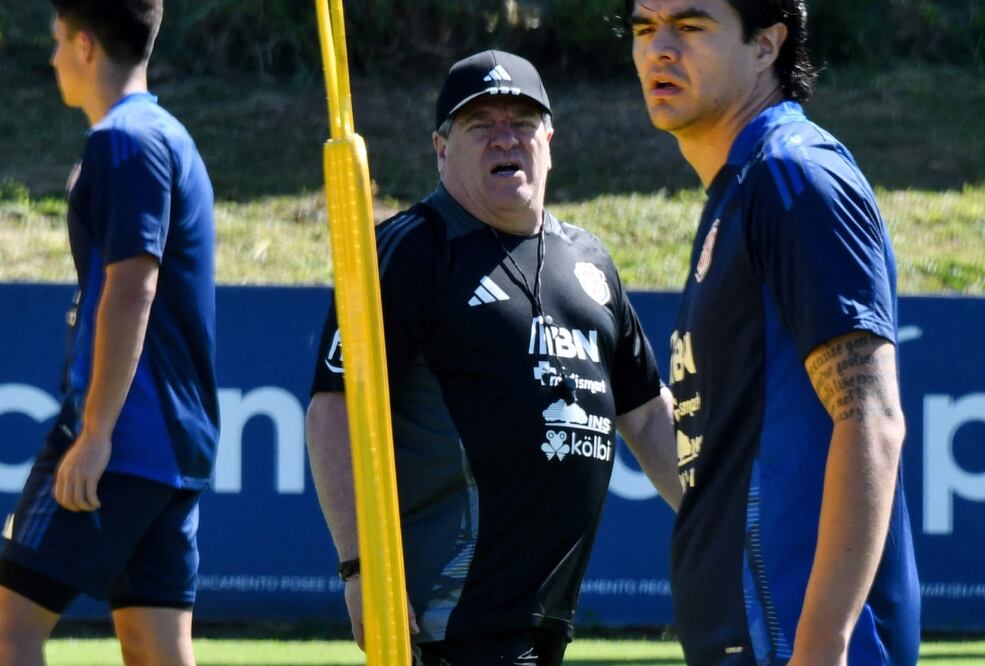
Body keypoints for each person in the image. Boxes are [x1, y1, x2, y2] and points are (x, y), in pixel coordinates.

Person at [307, 49, 681, 665]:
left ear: (550, 141)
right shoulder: (411, 251)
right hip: (451, 620)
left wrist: (727, 530)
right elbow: (333, 410)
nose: (505, 138)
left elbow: (644, 415)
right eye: (481, 125)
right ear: (441, 148)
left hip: (545, 620)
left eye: (522, 123)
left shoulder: (589, 262)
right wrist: (361, 571)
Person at [626, 1, 920, 664]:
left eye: (690, 25)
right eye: (644, 28)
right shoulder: (741, 187)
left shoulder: (791, 175)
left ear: (766, 43)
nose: (659, 49)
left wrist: (820, 644)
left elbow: (870, 418)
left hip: (795, 644)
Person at [0, 1, 217, 664]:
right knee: (156, 651)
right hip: (171, 450)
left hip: (121, 439)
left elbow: (132, 287)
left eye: (60, 41)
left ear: (87, 47)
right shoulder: (166, 136)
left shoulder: (125, 140)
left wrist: (93, 433)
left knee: (6, 632)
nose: (54, 57)